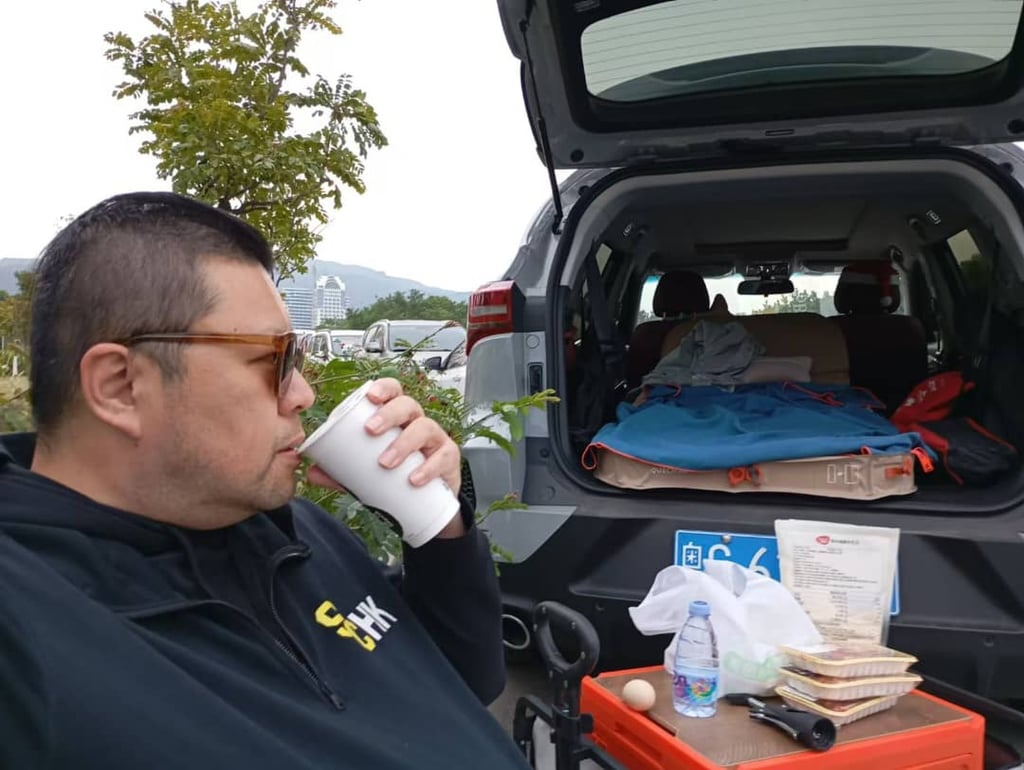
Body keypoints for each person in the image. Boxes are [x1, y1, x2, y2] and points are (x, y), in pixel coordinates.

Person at [0, 192, 531, 769]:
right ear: (121, 386)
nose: (302, 394)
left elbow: (464, 679)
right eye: (273, 360)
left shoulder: (293, 532)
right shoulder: (29, 628)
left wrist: (436, 522)